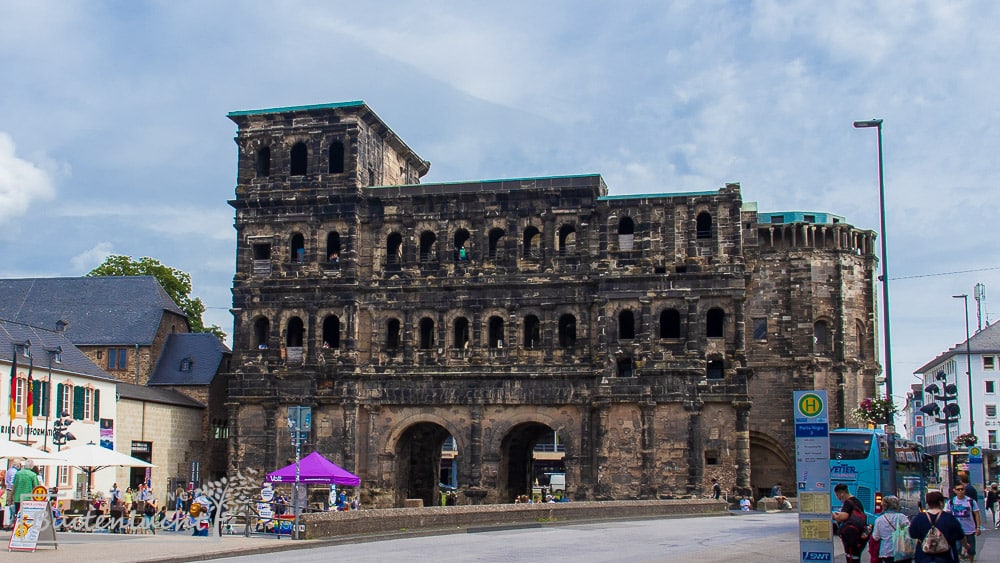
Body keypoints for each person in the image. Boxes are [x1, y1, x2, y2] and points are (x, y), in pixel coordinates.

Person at [909, 490, 965, 563]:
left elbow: (912, 534)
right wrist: (966, 546)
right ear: (941, 503)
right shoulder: (949, 518)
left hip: (923, 557)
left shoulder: (919, 518)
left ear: (928, 503)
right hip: (946, 557)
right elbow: (960, 535)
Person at [944, 484, 980, 562]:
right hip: (957, 530)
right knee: (957, 549)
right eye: (958, 489)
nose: (960, 491)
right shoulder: (951, 502)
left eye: (962, 489)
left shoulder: (970, 501)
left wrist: (978, 527)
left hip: (969, 529)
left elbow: (977, 514)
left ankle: (971, 561)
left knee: (971, 549)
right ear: (954, 491)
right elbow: (947, 514)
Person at [832, 483, 867, 563]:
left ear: (842, 493)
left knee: (851, 558)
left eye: (837, 495)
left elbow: (843, 517)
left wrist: (834, 516)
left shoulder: (848, 502)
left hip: (851, 537)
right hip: (859, 535)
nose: (838, 498)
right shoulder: (857, 501)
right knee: (856, 558)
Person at [870, 495, 909, 563]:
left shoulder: (879, 520)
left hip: (886, 551)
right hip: (902, 550)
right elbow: (909, 532)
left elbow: (876, 537)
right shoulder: (902, 517)